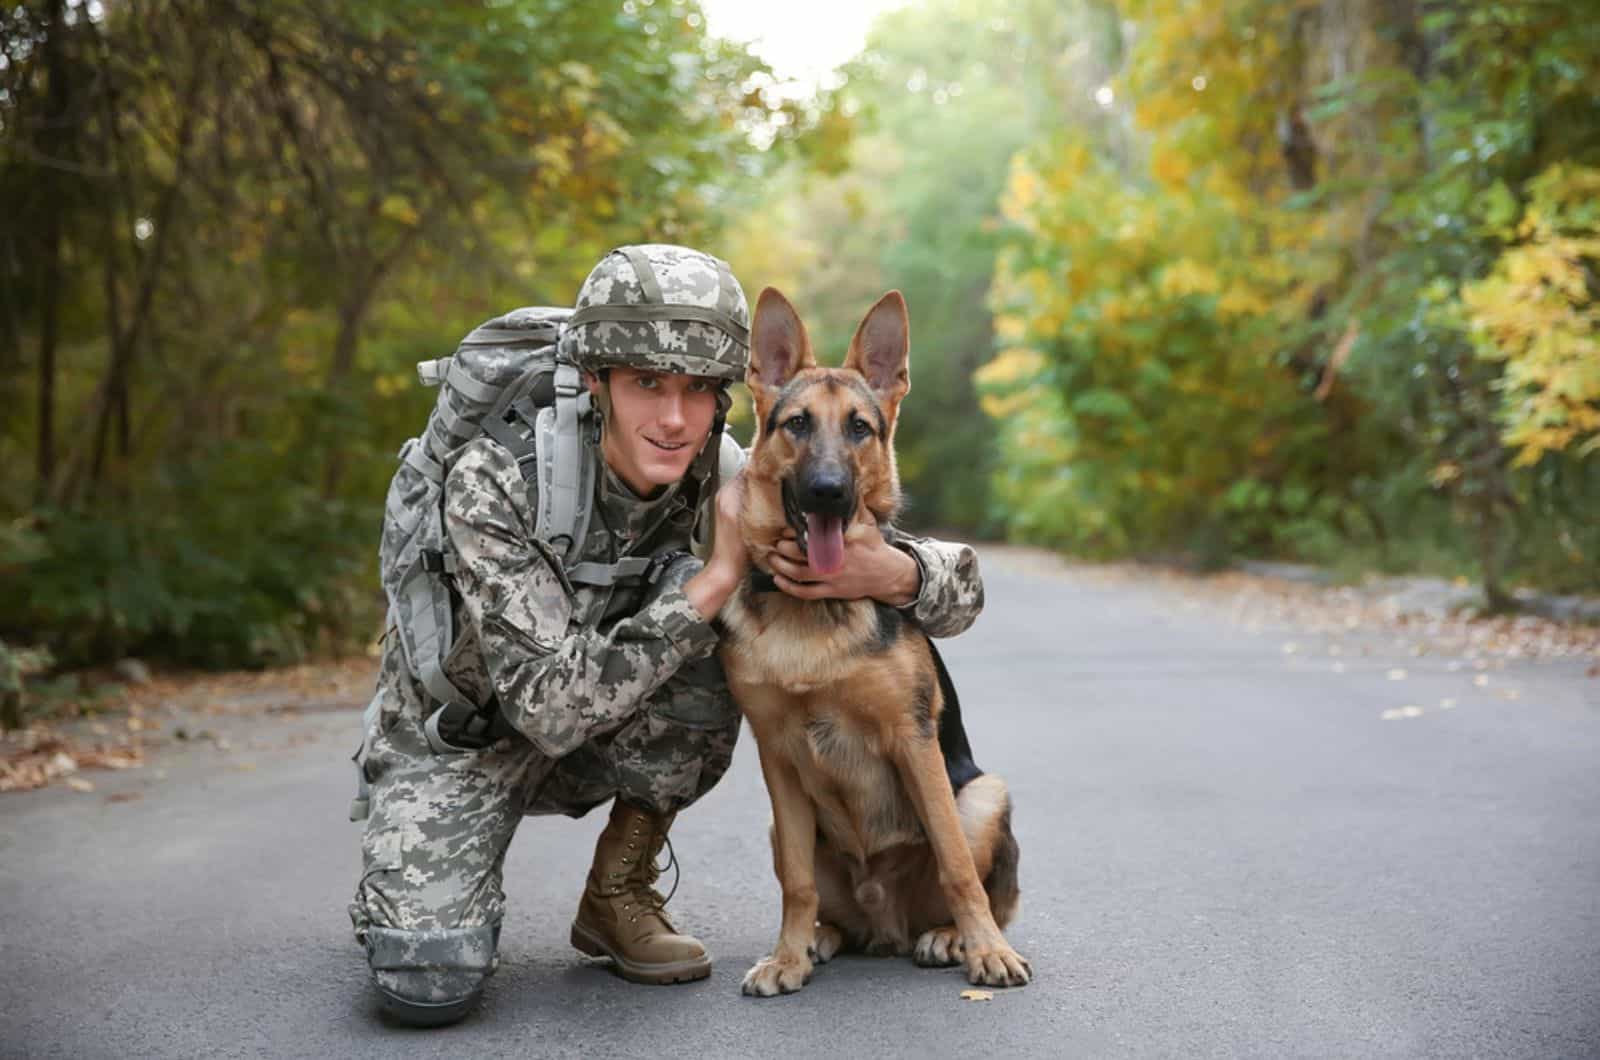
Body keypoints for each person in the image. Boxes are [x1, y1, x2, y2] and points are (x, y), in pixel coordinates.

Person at [348, 244, 986, 1026]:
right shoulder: (498, 478)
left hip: (601, 728)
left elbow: (955, 591)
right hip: (465, 739)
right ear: (596, 380)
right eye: (646, 384)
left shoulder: (729, 466)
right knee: (428, 982)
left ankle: (618, 892)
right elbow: (549, 712)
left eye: (695, 389)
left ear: (727, 395)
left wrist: (895, 574)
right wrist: (714, 582)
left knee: (747, 651)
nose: (674, 417)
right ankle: (418, 878)